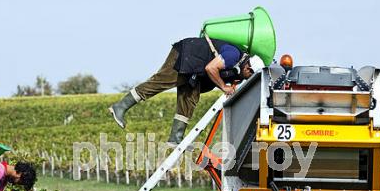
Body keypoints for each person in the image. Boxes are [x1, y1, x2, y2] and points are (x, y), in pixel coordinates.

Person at [109, 37, 265, 145]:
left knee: (190, 97)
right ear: (248, 67)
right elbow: (211, 68)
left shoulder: (238, 66)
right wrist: (224, 87)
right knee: (161, 82)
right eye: (250, 75)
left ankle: (175, 138)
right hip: (185, 53)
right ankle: (120, 107)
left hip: (194, 65)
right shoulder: (233, 56)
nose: (248, 78)